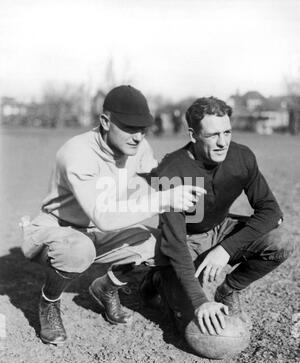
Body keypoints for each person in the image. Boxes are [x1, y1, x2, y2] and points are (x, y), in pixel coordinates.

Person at [20, 85, 205, 345]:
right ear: (105, 122)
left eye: (143, 128)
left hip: (98, 230)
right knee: (77, 250)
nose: (138, 137)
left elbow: (160, 176)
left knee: (162, 245)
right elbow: (103, 217)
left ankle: (106, 287)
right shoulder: (77, 153)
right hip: (58, 229)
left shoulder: (138, 146)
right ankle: (48, 303)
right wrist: (163, 200)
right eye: (129, 127)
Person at [140, 96, 293, 339]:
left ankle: (229, 290)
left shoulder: (242, 157)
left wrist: (224, 249)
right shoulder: (171, 171)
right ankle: (158, 278)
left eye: (227, 132)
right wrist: (200, 301)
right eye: (213, 135)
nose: (223, 142)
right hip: (186, 241)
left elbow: (271, 211)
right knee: (203, 332)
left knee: (281, 241)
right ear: (193, 135)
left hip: (221, 229)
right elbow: (175, 243)